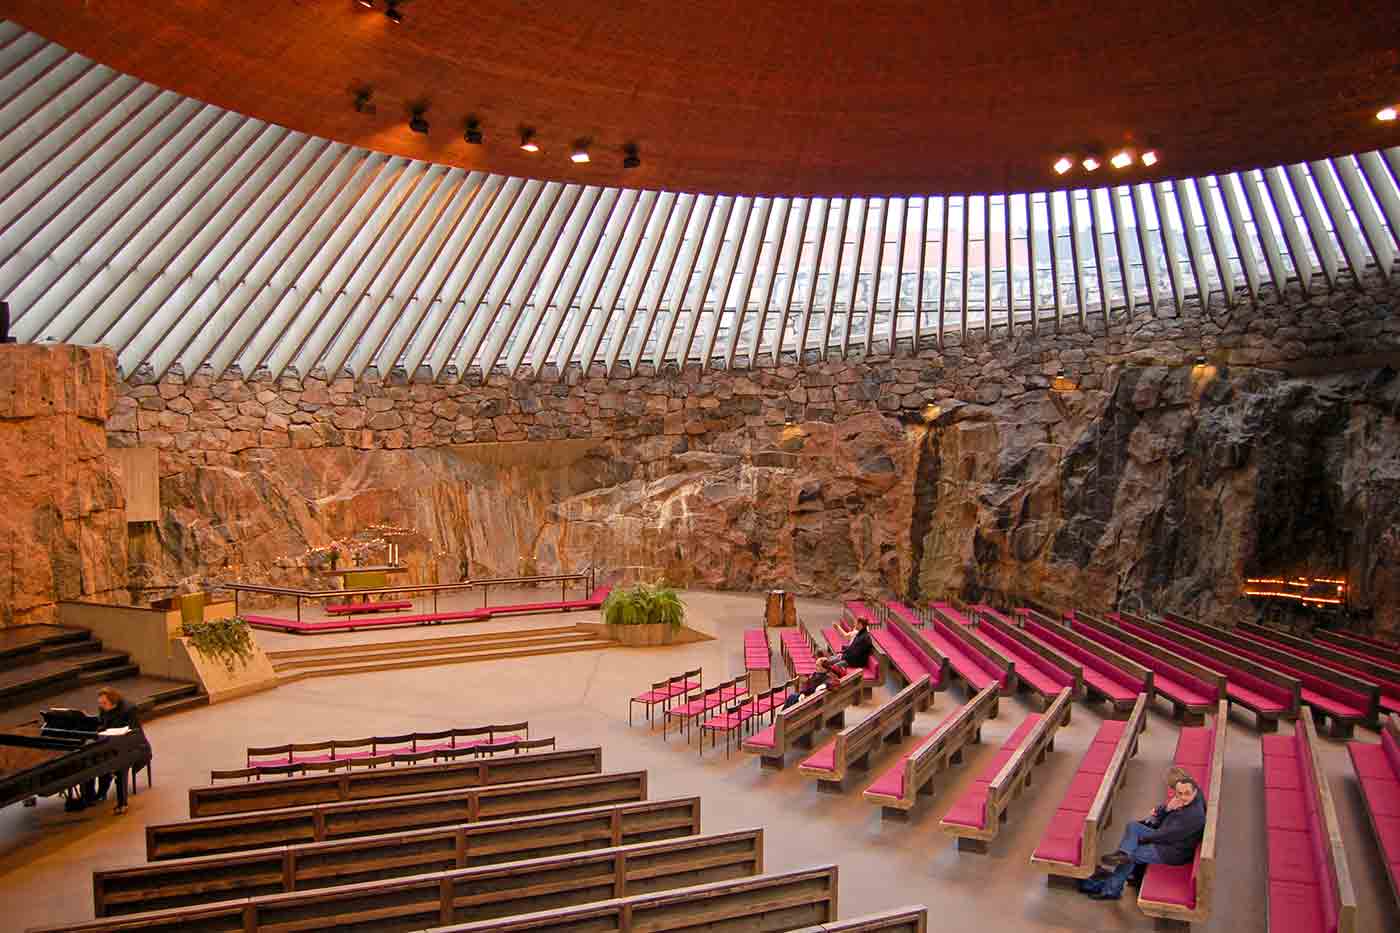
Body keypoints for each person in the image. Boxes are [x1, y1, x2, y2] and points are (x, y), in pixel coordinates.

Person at [1081, 766, 1207, 900]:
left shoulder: (1193, 816)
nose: (1181, 797)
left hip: (1172, 851)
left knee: (1134, 853)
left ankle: (1112, 890)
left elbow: (1166, 835)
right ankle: (1123, 854)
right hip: (1169, 838)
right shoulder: (1192, 793)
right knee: (1133, 827)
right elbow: (1167, 819)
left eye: (1185, 793)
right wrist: (1165, 809)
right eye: (1178, 793)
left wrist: (1144, 838)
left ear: (1193, 791)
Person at [75, 687, 150, 815]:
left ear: (113, 701)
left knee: (115, 763)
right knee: (90, 758)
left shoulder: (129, 709)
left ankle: (121, 802)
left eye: (104, 703)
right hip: (110, 742)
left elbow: (134, 731)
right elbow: (103, 724)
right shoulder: (104, 708)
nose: (101, 706)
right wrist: (98, 732)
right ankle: (91, 796)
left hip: (133, 745)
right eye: (100, 703)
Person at [781, 656, 849, 709]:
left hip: (812, 702)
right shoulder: (816, 674)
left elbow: (835, 683)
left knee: (792, 697)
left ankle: (782, 721)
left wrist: (825, 685)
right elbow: (807, 685)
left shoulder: (829, 675)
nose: (815, 667)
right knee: (792, 697)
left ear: (823, 667)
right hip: (808, 697)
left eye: (817, 665)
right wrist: (803, 693)